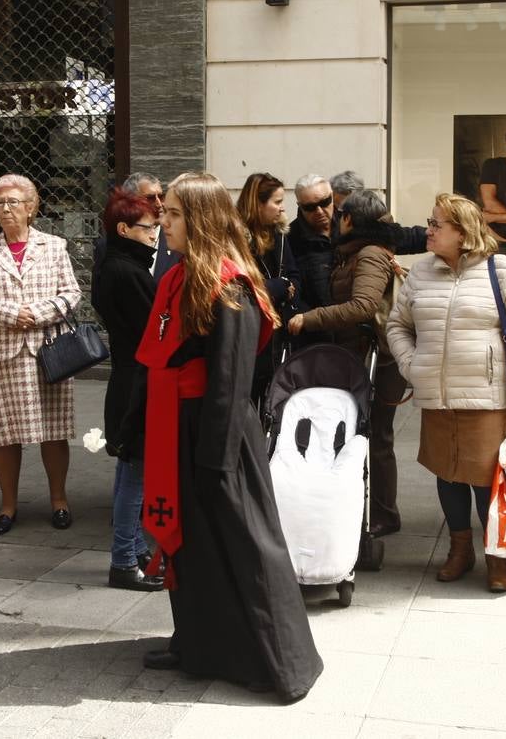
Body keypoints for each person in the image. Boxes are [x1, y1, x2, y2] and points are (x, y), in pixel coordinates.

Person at [134, 172, 322, 703]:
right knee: (192, 547)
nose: (160, 221)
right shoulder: (178, 274)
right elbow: (159, 359)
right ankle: (197, 643)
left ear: (199, 218)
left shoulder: (229, 281)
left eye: (171, 213)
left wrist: (214, 459)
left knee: (246, 545)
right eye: (162, 212)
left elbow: (232, 378)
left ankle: (282, 662)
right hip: (181, 423)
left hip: (218, 436)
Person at [385, 192, 506, 593]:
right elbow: (396, 326)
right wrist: (412, 364)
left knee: (487, 479)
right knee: (447, 473)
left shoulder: (501, 269)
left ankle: (498, 554)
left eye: (438, 224)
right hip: (437, 396)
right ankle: (461, 549)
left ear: (463, 231)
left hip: (486, 395)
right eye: (430, 222)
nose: (429, 230)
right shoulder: (421, 273)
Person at [287, 188, 408, 537]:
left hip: (377, 360)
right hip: (363, 355)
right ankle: (369, 508)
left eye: (341, 214)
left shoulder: (368, 254)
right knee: (367, 435)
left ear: (352, 220)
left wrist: (310, 319)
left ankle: (383, 513)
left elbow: (362, 307)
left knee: (376, 437)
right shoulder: (358, 252)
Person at [0, 174, 80, 535]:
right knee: (4, 434)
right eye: (0, 203)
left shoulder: (54, 246)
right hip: (3, 354)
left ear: (32, 207)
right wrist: (11, 314)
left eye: (14, 202)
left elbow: (72, 293)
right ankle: (7, 505)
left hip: (49, 353)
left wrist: (40, 312)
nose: (6, 209)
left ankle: (59, 500)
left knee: (54, 431)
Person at [91, 189, 163, 591]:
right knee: (135, 474)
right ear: (124, 229)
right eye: (148, 227)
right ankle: (123, 560)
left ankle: (134, 550)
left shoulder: (115, 265)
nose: (155, 233)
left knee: (129, 470)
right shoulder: (128, 272)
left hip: (128, 379)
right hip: (136, 382)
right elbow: (154, 330)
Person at [236, 172, 304, 402]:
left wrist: (288, 287)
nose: (282, 209)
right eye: (277, 202)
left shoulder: (280, 234)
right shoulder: (237, 240)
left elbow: (294, 275)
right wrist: (281, 286)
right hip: (254, 332)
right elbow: (244, 287)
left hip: (281, 328)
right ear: (257, 204)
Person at [92, 172, 177, 281]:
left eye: (161, 197)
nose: (159, 204)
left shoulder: (177, 243)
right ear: (130, 201)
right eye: (150, 198)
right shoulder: (107, 248)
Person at [327, 171, 429, 255]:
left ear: (351, 194)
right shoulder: (335, 214)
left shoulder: (375, 220)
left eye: (335, 196)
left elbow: (403, 238)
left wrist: (430, 235)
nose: (333, 202)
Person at [288, 173, 337, 310]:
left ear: (332, 196)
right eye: (310, 207)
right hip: (314, 324)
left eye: (324, 202)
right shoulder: (290, 239)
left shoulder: (350, 222)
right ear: (300, 206)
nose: (319, 211)